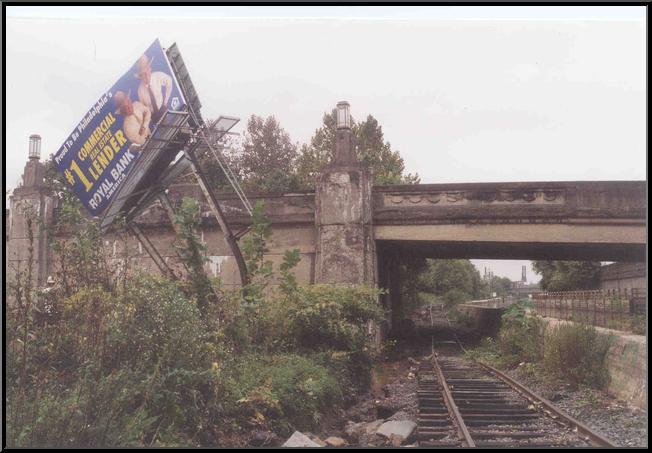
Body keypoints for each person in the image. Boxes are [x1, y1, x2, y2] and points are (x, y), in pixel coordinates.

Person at [135, 54, 173, 125]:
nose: (147, 75)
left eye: (147, 71)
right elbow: (144, 107)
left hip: (163, 109)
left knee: (172, 127)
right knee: (164, 134)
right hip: (154, 117)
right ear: (140, 77)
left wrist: (165, 100)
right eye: (144, 74)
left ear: (150, 69)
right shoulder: (140, 90)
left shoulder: (157, 76)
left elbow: (169, 80)